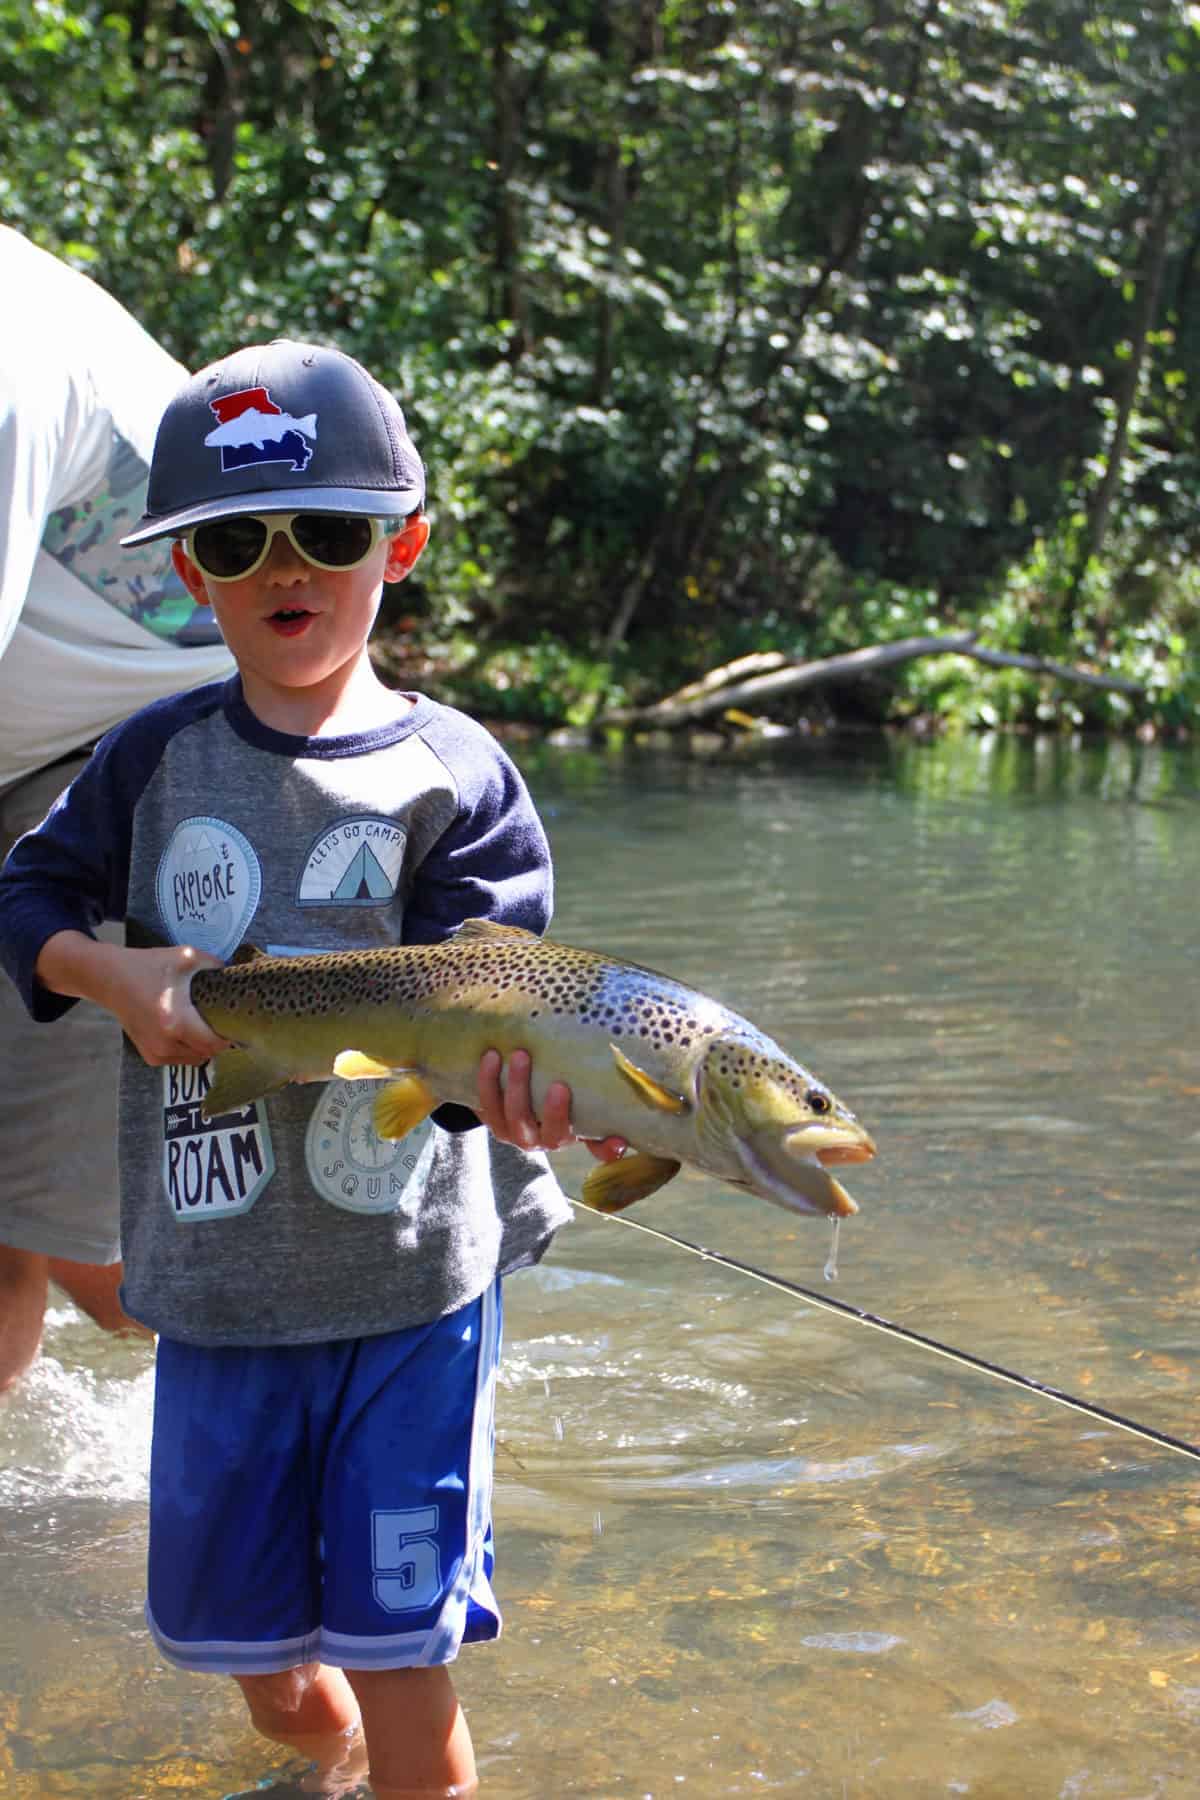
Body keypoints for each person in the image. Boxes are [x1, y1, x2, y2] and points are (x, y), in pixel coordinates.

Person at [0, 336, 622, 1800]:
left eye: (330, 534)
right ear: (190, 575)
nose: (288, 567)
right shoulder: (147, 762)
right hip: (217, 1293)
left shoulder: (458, 776)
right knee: (264, 1671)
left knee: (406, 1654)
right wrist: (111, 972)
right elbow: (24, 900)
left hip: (411, 1286)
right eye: (236, 539)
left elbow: (499, 1006)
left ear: (396, 547)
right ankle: (322, 1751)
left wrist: (511, 1095)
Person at [0, 224, 235, 1389]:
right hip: (30, 722)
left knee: (51, 1238)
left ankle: (327, 1356)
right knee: (40, 1238)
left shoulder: (9, 356)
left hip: (126, 752)